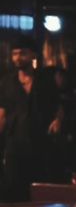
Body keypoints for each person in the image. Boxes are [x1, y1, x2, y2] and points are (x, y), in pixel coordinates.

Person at [0, 53, 63, 198]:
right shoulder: (7, 82)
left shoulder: (45, 81)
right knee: (13, 188)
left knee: (39, 189)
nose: (18, 57)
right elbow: (2, 112)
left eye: (22, 53)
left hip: (40, 142)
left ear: (31, 55)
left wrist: (58, 120)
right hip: (15, 142)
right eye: (15, 54)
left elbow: (58, 106)